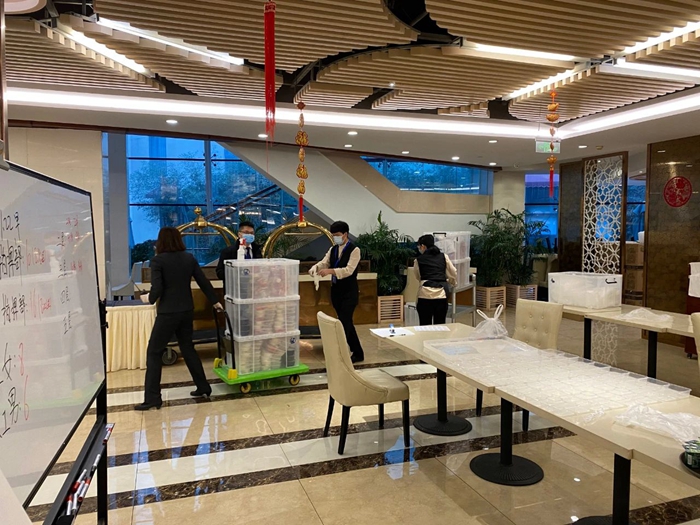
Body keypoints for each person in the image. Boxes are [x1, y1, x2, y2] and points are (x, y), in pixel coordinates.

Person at [136, 227, 223, 411]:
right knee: (188, 348)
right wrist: (215, 302)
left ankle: (153, 398)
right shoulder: (188, 258)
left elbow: (157, 288)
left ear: (161, 241)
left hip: (168, 312)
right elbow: (203, 281)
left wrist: (148, 298)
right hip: (187, 310)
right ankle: (203, 387)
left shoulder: (158, 260)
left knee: (154, 352)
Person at [310, 221, 365, 363]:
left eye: (338, 235)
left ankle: (345, 352)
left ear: (345, 234)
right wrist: (316, 267)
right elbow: (325, 262)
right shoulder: (333, 249)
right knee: (344, 322)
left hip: (349, 292)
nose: (336, 238)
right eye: (333, 235)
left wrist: (330, 271)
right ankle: (356, 352)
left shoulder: (355, 250)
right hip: (336, 291)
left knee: (345, 321)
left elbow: (348, 270)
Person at [413, 234, 457, 326]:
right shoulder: (444, 256)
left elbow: (418, 276)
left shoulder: (418, 260)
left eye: (419, 246)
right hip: (441, 295)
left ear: (423, 246)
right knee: (440, 326)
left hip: (424, 295)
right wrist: (452, 282)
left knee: (425, 326)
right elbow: (453, 272)